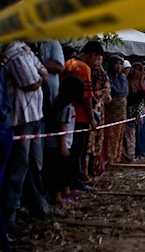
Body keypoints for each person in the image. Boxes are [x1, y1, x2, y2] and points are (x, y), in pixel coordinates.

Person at [0, 41, 61, 227]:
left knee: (34, 164)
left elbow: (42, 70)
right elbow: (30, 83)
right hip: (21, 118)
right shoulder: (12, 51)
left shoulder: (26, 49)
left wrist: (39, 75)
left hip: (35, 115)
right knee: (18, 168)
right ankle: (8, 218)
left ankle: (37, 205)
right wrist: (39, 75)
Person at [63, 41, 102, 191]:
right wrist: (91, 118)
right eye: (97, 58)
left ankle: (69, 183)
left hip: (66, 113)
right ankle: (75, 182)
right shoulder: (83, 68)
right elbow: (86, 96)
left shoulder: (68, 63)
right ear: (92, 55)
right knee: (77, 152)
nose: (97, 62)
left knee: (70, 151)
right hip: (79, 116)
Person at [43, 76, 84, 207]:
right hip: (59, 145)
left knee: (66, 170)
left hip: (64, 144)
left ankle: (66, 191)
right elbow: (62, 127)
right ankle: (57, 197)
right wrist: (63, 147)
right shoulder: (67, 108)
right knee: (59, 172)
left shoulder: (60, 103)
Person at [85, 56, 111, 179]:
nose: (98, 62)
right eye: (96, 58)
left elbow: (107, 90)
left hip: (100, 112)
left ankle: (95, 169)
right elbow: (89, 93)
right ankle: (85, 173)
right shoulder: (86, 73)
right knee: (88, 144)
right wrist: (97, 96)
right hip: (88, 110)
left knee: (98, 140)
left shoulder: (102, 75)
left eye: (101, 59)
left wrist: (100, 95)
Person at [104, 55, 128, 164]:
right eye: (116, 63)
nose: (119, 66)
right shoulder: (107, 76)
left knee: (120, 133)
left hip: (121, 110)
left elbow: (124, 91)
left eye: (120, 64)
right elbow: (114, 90)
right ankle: (109, 158)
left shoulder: (123, 77)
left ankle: (117, 156)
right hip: (111, 111)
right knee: (110, 134)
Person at [125, 62, 145, 161]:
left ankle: (137, 151)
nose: (136, 72)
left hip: (137, 110)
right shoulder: (127, 81)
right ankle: (128, 154)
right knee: (128, 132)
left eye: (138, 69)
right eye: (134, 69)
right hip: (126, 109)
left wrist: (138, 111)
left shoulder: (141, 83)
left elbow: (142, 98)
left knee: (138, 131)